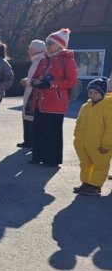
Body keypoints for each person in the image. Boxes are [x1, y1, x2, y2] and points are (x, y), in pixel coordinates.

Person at [29, 29, 78, 167]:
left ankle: (52, 159)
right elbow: (36, 76)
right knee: (38, 130)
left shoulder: (67, 59)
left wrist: (51, 84)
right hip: (40, 101)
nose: (48, 45)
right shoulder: (43, 59)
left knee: (53, 133)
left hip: (56, 103)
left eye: (51, 43)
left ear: (60, 45)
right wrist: (34, 81)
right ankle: (37, 156)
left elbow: (72, 81)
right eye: (47, 43)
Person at [72, 79, 112, 196]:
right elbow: (79, 122)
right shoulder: (85, 106)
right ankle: (86, 182)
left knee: (100, 165)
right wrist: (76, 137)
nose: (93, 95)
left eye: (96, 92)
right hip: (83, 143)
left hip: (100, 145)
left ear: (103, 93)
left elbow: (110, 128)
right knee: (85, 163)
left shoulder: (108, 108)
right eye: (90, 92)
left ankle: (95, 185)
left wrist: (106, 145)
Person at [18, 40, 47, 148]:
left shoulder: (41, 60)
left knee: (29, 116)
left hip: (34, 92)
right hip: (31, 90)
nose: (28, 50)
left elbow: (39, 77)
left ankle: (30, 141)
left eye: (30, 48)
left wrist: (27, 81)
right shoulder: (37, 60)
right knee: (28, 116)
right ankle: (28, 140)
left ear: (35, 50)